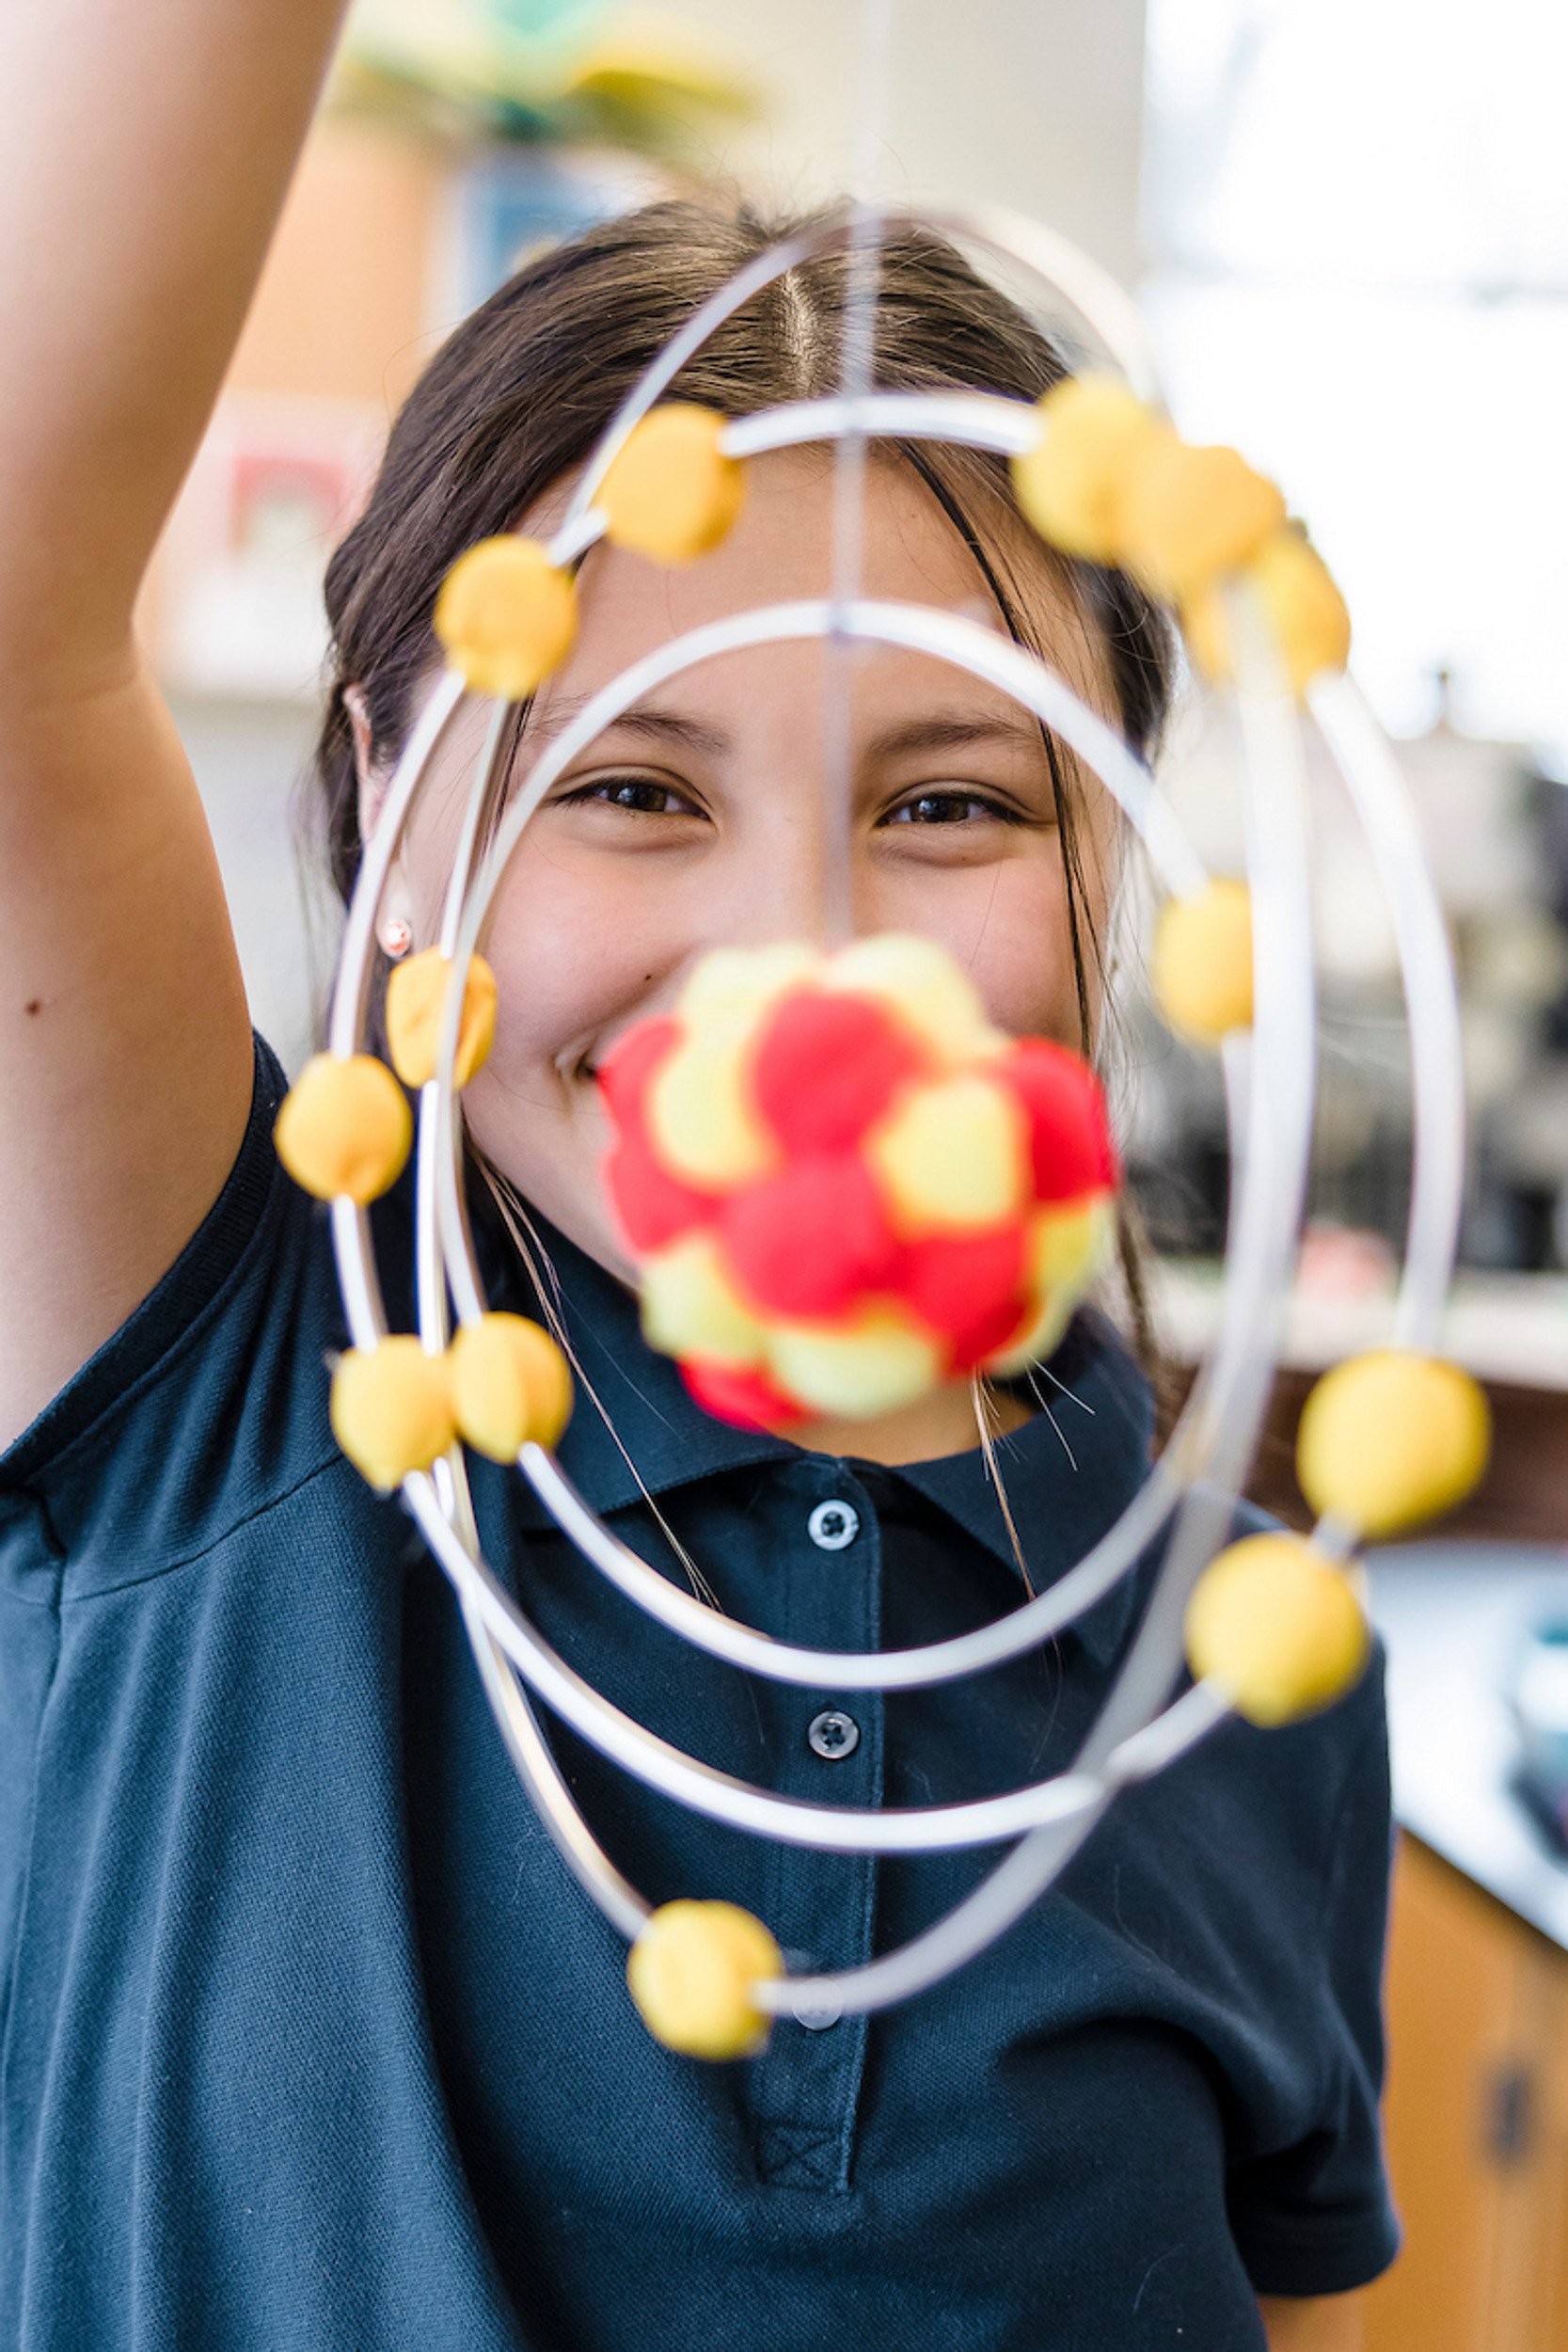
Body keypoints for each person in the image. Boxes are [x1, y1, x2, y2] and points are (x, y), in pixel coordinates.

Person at [0, 4, 1397, 2347]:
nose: (802, 952)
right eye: (637, 787)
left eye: (952, 801)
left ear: (1107, 864)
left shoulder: (1238, 1654)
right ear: (409, 811)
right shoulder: (231, 1382)